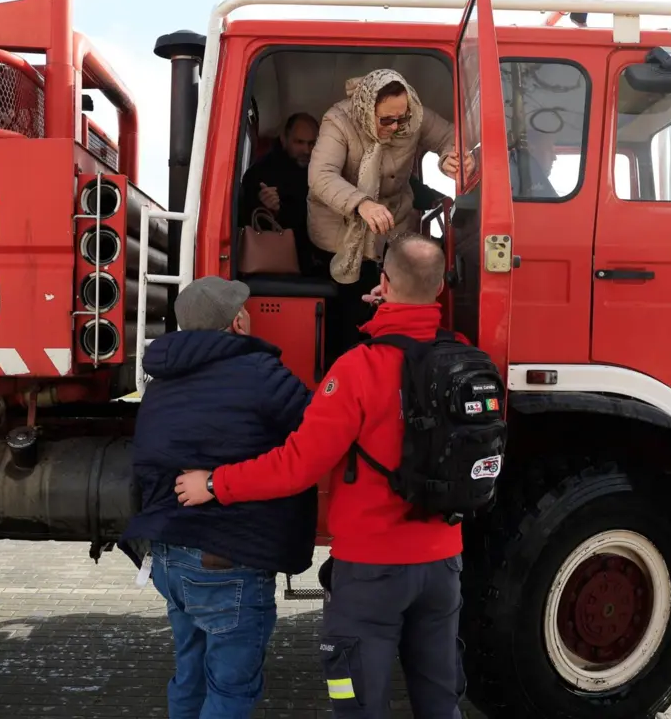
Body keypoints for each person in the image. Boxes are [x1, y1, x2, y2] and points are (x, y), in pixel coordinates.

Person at [174, 234, 468, 719]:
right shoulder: (462, 356)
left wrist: (214, 484)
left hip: (371, 572)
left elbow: (297, 466)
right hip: (444, 566)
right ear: (439, 288)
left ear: (383, 282)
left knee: (358, 705)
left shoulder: (357, 368)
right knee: (440, 703)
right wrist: (392, 310)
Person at [117, 275, 316, 719]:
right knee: (230, 690)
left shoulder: (161, 382)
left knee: (189, 677)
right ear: (237, 323)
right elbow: (319, 431)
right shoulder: (261, 373)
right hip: (228, 560)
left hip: (170, 555)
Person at [306, 69, 461, 361]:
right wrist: (361, 203)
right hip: (339, 230)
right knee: (348, 312)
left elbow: (451, 137)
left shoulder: (414, 115)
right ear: (367, 110)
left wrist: (448, 158)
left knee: (387, 309)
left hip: (392, 224)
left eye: (402, 118)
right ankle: (346, 367)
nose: (396, 126)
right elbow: (321, 176)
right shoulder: (338, 120)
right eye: (386, 120)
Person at [239, 112, 323, 276]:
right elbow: (244, 220)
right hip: (276, 266)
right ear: (284, 139)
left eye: (312, 143)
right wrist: (268, 208)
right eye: (299, 142)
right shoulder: (261, 172)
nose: (306, 150)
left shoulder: (324, 171)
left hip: (318, 259)